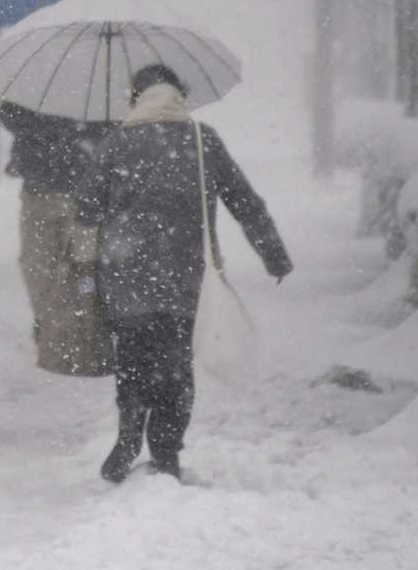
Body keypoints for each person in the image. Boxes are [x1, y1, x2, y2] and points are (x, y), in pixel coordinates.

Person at [73, 64, 292, 483]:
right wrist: (274, 255)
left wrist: (86, 271)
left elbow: (86, 211)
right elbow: (244, 201)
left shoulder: (117, 143)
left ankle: (129, 431)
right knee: (175, 366)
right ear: (179, 95)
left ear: (136, 98)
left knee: (133, 360)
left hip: (124, 276)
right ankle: (166, 453)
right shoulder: (201, 139)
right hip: (184, 277)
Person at [0, 101, 113, 375]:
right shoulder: (41, 76)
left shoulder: (100, 79)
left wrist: (82, 130)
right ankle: (53, 330)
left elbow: (116, 126)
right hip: (40, 187)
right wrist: (52, 127)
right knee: (37, 266)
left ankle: (89, 344)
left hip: (86, 189)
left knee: (86, 269)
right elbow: (9, 114)